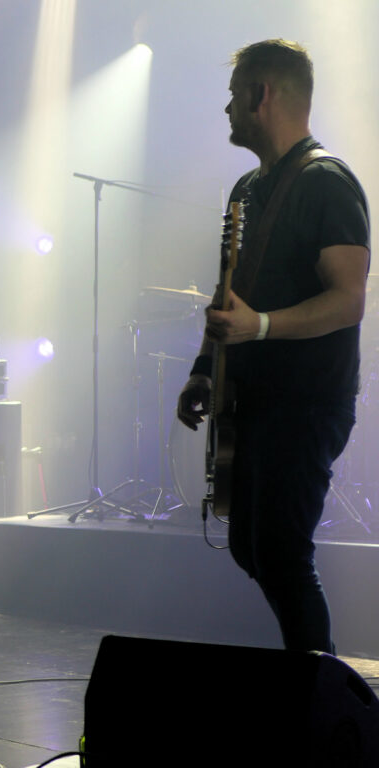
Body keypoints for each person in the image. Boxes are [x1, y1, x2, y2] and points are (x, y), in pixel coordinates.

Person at [177, 40, 370, 654]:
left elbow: (348, 300)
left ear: (262, 95)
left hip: (306, 402)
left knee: (283, 553)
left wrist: (258, 327)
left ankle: (325, 691)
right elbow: (229, 292)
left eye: (235, 94)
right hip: (251, 401)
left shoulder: (327, 183)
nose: (227, 108)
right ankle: (314, 679)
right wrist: (204, 369)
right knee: (248, 545)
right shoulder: (246, 188)